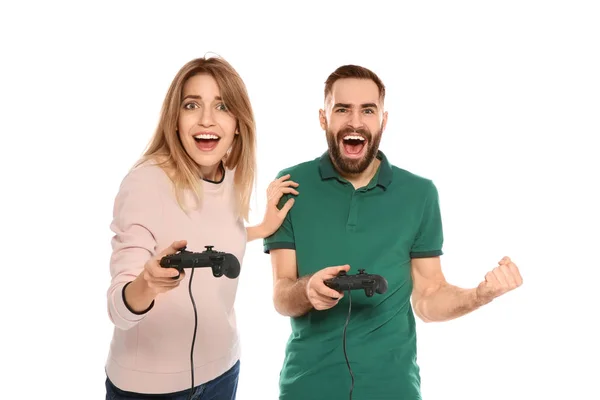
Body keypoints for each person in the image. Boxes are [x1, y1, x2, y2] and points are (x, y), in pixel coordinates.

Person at [263, 64, 523, 400]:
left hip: (392, 388)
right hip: (307, 385)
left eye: (367, 110)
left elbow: (428, 297)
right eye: (342, 109)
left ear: (383, 120)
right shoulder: (290, 186)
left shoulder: (419, 194)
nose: (355, 122)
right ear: (323, 118)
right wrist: (306, 291)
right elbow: (281, 295)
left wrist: (479, 295)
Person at [104, 55, 298, 400]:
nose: (207, 119)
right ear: (174, 120)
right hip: (151, 389)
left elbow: (217, 237)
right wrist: (146, 284)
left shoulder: (231, 175)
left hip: (223, 372)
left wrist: (261, 228)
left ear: (238, 123)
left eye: (222, 106)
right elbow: (119, 308)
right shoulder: (145, 183)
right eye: (192, 105)